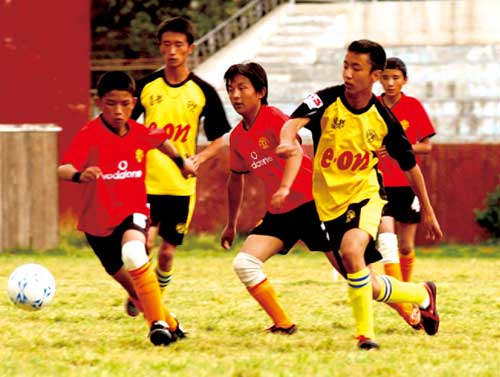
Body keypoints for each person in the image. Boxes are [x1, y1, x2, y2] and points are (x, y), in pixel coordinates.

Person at [277, 40, 443, 350]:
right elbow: (293, 123)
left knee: (352, 251)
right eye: (345, 65)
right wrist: (288, 141)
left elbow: (411, 167)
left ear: (375, 75)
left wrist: (430, 212)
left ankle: (365, 337)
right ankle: (421, 294)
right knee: (365, 280)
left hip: (365, 195)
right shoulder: (324, 100)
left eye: (357, 68)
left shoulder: (383, 118)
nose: (348, 73)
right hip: (328, 204)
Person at [58, 71, 197, 346]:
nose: (118, 111)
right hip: (96, 224)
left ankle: (156, 325)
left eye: (124, 104)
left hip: (133, 211)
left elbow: (161, 140)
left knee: (134, 252)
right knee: (134, 289)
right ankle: (171, 324)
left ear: (134, 103)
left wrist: (181, 162)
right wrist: (79, 175)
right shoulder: (90, 134)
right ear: (99, 102)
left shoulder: (139, 132)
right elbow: (63, 168)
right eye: (111, 104)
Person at [219, 62, 343, 334]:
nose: (236, 95)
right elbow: (235, 179)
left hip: (314, 205)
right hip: (281, 213)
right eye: (231, 90)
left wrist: (285, 187)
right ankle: (283, 324)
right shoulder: (238, 137)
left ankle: (416, 302)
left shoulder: (274, 117)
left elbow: (295, 153)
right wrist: (231, 224)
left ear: (261, 91)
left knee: (355, 274)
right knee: (244, 263)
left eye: (242, 88)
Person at [131, 16, 231, 299]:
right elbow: (127, 126)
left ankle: (156, 297)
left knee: (167, 254)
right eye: (166, 45)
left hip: (180, 185)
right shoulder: (146, 87)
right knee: (144, 242)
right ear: (160, 48)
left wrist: (200, 159)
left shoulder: (203, 92)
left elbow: (219, 140)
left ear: (190, 48)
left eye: (178, 45)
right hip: (147, 182)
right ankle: (141, 295)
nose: (172, 51)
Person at [377, 57, 436, 283]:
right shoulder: (373, 105)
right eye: (385, 77)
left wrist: (399, 148)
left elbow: (426, 146)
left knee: (405, 246)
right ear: (378, 79)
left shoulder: (413, 106)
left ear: (405, 81)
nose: (390, 82)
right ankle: (398, 293)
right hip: (379, 185)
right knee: (386, 240)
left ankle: (406, 286)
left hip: (407, 185)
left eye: (395, 78)